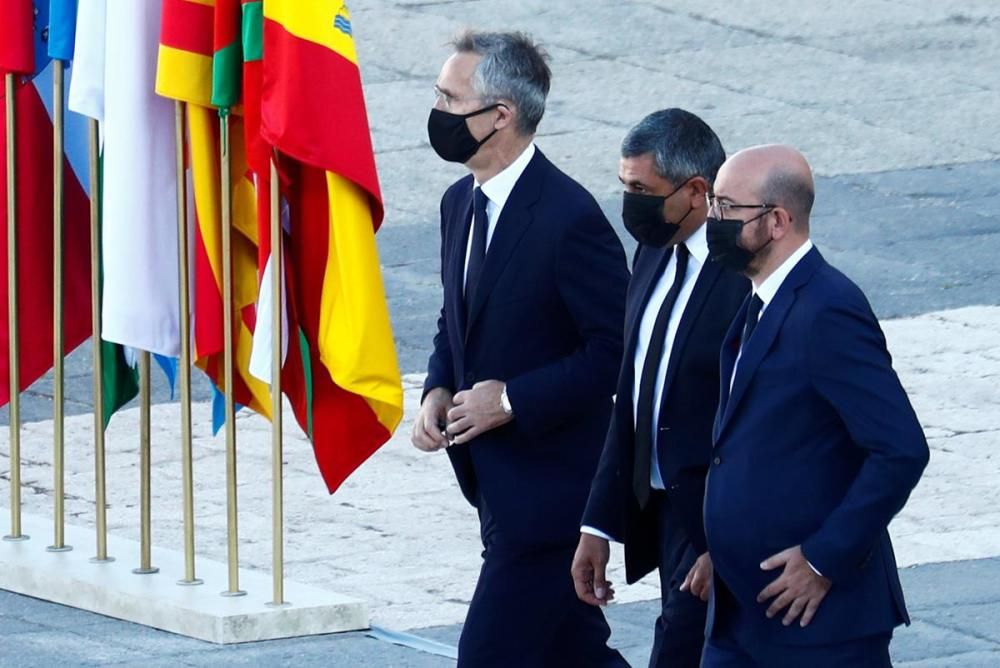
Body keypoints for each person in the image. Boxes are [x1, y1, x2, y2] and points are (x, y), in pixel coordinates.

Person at [411, 30, 630, 667]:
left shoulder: (569, 219)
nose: (438, 113)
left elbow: (614, 352)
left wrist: (511, 400)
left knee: (488, 656)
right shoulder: (460, 203)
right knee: (574, 651)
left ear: (499, 116)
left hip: (552, 495)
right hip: (497, 487)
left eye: (450, 100)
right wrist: (437, 387)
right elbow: (459, 317)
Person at [700, 144, 930, 667]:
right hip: (740, 612)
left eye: (726, 209)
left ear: (777, 221)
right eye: (713, 204)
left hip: (817, 623)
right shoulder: (756, 302)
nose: (712, 220)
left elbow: (900, 450)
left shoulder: (829, 310)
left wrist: (824, 559)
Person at [571, 109, 749, 668]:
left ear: (697, 192)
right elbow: (633, 393)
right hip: (665, 505)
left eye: (643, 189)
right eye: (625, 186)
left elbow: (758, 421)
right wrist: (598, 522)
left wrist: (728, 542)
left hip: (718, 514)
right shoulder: (653, 250)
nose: (631, 204)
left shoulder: (743, 276)